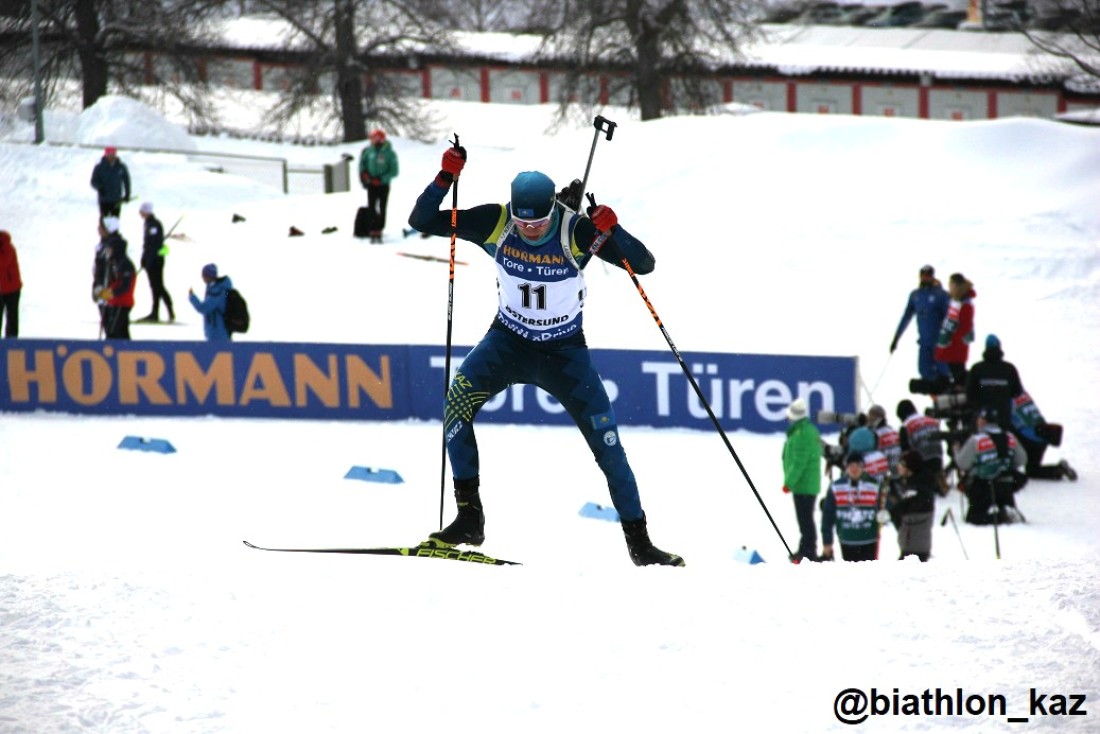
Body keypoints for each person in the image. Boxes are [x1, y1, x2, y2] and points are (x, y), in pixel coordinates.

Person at [406, 144, 683, 567]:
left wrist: (615, 229)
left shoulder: (577, 231)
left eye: (538, 222)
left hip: (564, 354)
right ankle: (469, 518)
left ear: (553, 211)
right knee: (455, 405)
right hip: (507, 342)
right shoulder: (495, 222)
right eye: (523, 222)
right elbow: (421, 221)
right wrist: (445, 179)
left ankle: (641, 544)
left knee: (609, 448)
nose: (530, 229)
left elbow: (642, 265)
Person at [955, 408, 1027, 525]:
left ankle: (1001, 517)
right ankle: (1008, 511)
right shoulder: (1010, 437)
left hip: (983, 487)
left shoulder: (977, 440)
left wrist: (956, 450)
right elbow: (1022, 459)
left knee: (974, 518)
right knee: (1005, 504)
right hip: (1007, 485)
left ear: (983, 421)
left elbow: (962, 464)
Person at [820, 451, 884, 562]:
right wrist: (827, 542)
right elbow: (827, 516)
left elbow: (885, 508)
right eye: (851, 466)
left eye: (857, 466)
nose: (854, 469)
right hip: (847, 541)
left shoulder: (875, 485)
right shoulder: (836, 486)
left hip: (869, 540)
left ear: (863, 467)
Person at [890, 264, 949, 381]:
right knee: (924, 371)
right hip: (924, 343)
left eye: (928, 275)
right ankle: (935, 395)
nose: (925, 278)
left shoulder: (941, 295)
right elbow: (906, 317)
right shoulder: (915, 295)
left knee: (944, 373)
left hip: (939, 342)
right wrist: (896, 338)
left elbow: (949, 318)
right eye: (923, 275)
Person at [781, 398, 822, 563]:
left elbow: (799, 462)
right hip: (806, 484)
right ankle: (805, 548)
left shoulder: (802, 433)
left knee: (805, 520)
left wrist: (788, 483)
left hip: (804, 485)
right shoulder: (806, 430)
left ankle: (808, 552)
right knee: (805, 519)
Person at [1010, 392, 1077, 481]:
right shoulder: (1022, 394)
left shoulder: (1004, 400)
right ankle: (1059, 469)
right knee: (1033, 471)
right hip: (1042, 435)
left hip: (1030, 438)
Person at [886, 450, 936, 561]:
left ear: (911, 467)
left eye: (902, 464)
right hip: (910, 542)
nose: (899, 467)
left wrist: (894, 511)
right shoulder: (913, 483)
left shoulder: (919, 486)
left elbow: (909, 508)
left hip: (915, 546)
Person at [965, 334, 1021, 432]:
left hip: (982, 419)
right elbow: (1017, 391)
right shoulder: (1009, 369)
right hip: (1004, 419)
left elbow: (970, 394)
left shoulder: (977, 369)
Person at [94, 217, 136, 340]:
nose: (108, 252)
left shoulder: (124, 263)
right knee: (115, 331)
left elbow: (125, 285)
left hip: (122, 302)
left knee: (116, 332)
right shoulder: (114, 262)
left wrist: (111, 293)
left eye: (110, 249)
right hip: (115, 302)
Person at [896, 399, 948, 495]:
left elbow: (906, 453)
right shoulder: (932, 421)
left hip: (922, 468)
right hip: (938, 462)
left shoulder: (906, 426)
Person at [135, 201, 176, 323]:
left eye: (141, 210)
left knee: (158, 286)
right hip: (150, 260)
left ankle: (168, 311)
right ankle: (155, 312)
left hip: (155, 260)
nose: (140, 213)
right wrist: (144, 259)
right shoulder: (149, 223)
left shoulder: (153, 224)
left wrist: (149, 259)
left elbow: (153, 245)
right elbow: (148, 245)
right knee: (155, 286)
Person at [933, 272, 976, 385]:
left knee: (959, 378)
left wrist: (949, 339)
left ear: (956, 285)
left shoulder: (965, 304)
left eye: (951, 284)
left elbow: (964, 328)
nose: (949, 287)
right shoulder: (956, 301)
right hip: (951, 350)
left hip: (955, 350)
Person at [358, 129, 399, 243]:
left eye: (374, 138)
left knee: (382, 207)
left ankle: (379, 228)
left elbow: (394, 171)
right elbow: (363, 164)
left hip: (383, 185)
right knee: (371, 206)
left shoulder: (390, 153)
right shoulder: (368, 151)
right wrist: (364, 174)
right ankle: (372, 229)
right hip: (371, 184)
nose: (372, 141)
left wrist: (381, 179)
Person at [188, 263, 233, 342]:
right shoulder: (215, 289)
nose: (202, 277)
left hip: (217, 333)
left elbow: (203, 308)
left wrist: (192, 297)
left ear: (209, 276)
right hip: (218, 332)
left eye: (203, 275)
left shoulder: (217, 291)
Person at [90, 146, 131, 218]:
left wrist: (127, 194)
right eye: (109, 154)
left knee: (114, 222)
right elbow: (93, 181)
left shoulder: (121, 167)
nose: (111, 156)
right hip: (104, 200)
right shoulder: (99, 167)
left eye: (113, 154)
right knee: (105, 221)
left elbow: (126, 181)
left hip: (116, 200)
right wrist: (100, 188)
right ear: (106, 155)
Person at [866, 404, 902, 479]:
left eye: (870, 417)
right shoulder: (894, 431)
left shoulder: (875, 435)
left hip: (885, 472)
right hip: (899, 469)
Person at [0, 229, 22, 337]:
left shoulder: (7, 247)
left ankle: (11, 343)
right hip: (3, 289)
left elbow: (2, 264)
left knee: (12, 318)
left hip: (12, 289)